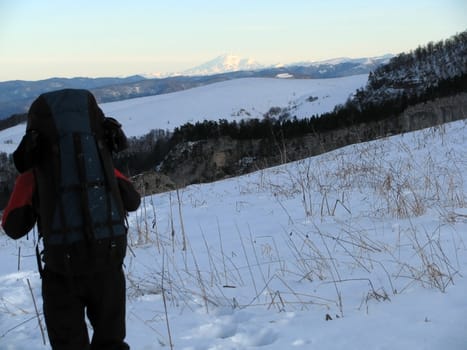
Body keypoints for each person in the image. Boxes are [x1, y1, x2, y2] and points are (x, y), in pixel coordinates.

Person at [1, 89, 141, 350]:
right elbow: (133, 201)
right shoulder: (100, 163)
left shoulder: (36, 174)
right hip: (108, 264)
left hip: (62, 270)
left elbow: (13, 227)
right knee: (111, 343)